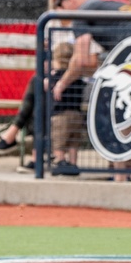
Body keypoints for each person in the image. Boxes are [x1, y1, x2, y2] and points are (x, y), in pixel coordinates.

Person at [51, 0, 131, 181]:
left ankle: (120, 178)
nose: (65, 13)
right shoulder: (110, 1)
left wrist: (62, 82)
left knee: (118, 116)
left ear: (70, 0)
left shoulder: (83, 11)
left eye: (62, 7)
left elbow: (81, 59)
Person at [0, 0, 77, 171]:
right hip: (51, 78)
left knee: (39, 89)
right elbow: (45, 57)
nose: (60, 2)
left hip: (74, 80)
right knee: (39, 88)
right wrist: (47, 77)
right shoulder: (50, 22)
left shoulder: (81, 23)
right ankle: (34, 154)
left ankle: (18, 140)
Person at [47, 43, 85, 176]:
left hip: (60, 114)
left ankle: (61, 161)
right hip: (77, 114)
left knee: (58, 141)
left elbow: (46, 86)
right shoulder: (76, 77)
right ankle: (73, 164)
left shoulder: (56, 76)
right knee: (73, 142)